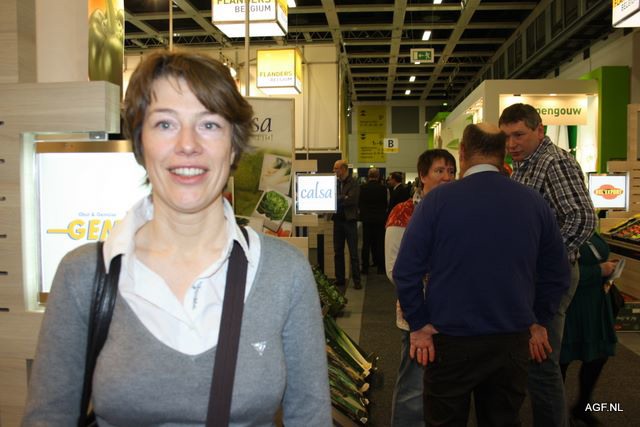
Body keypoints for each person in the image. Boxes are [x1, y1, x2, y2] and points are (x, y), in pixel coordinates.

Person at [22, 51, 331, 426]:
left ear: (233, 146)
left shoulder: (284, 273)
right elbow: (48, 417)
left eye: (209, 124)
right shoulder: (84, 275)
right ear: (140, 143)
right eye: (165, 124)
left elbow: (310, 416)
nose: (187, 144)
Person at [393, 123, 571, 427]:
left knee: (445, 421)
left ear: (462, 152)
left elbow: (406, 270)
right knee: (503, 419)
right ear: (503, 155)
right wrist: (540, 319)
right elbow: (557, 272)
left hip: (450, 340)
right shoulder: (532, 202)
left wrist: (419, 325)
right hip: (512, 339)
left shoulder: (436, 202)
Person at [499, 103, 597, 427]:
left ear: (539, 130)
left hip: (548, 278)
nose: (511, 144)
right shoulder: (525, 164)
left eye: (518, 135)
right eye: (506, 137)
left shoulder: (553, 162)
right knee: (532, 360)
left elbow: (582, 219)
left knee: (541, 365)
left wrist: (544, 258)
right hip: (532, 277)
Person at [385, 149, 456, 427]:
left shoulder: (457, 209)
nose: (447, 177)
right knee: (414, 386)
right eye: (439, 171)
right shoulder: (404, 212)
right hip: (418, 312)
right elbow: (394, 268)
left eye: (451, 171)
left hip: (452, 313)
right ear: (423, 176)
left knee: (445, 386)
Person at [561, 233, 619, 426]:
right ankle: (557, 412)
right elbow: (560, 272)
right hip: (572, 307)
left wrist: (609, 270)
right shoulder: (559, 231)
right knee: (561, 360)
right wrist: (598, 270)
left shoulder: (587, 229)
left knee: (598, 356)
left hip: (595, 306)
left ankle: (582, 407)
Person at [332, 159, 361, 289]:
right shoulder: (334, 182)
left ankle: (357, 281)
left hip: (350, 221)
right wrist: (344, 197)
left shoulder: (354, 182)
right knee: (338, 252)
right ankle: (340, 279)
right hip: (337, 221)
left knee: (353, 253)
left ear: (343, 169)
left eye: (336, 168)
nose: (334, 170)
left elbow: (352, 200)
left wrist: (339, 198)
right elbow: (331, 197)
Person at [358, 167, 388, 275]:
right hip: (380, 219)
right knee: (380, 244)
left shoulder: (362, 188)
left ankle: (365, 268)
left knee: (366, 244)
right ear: (378, 176)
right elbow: (386, 203)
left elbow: (359, 203)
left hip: (367, 220)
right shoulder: (383, 188)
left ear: (368, 176)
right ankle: (381, 268)